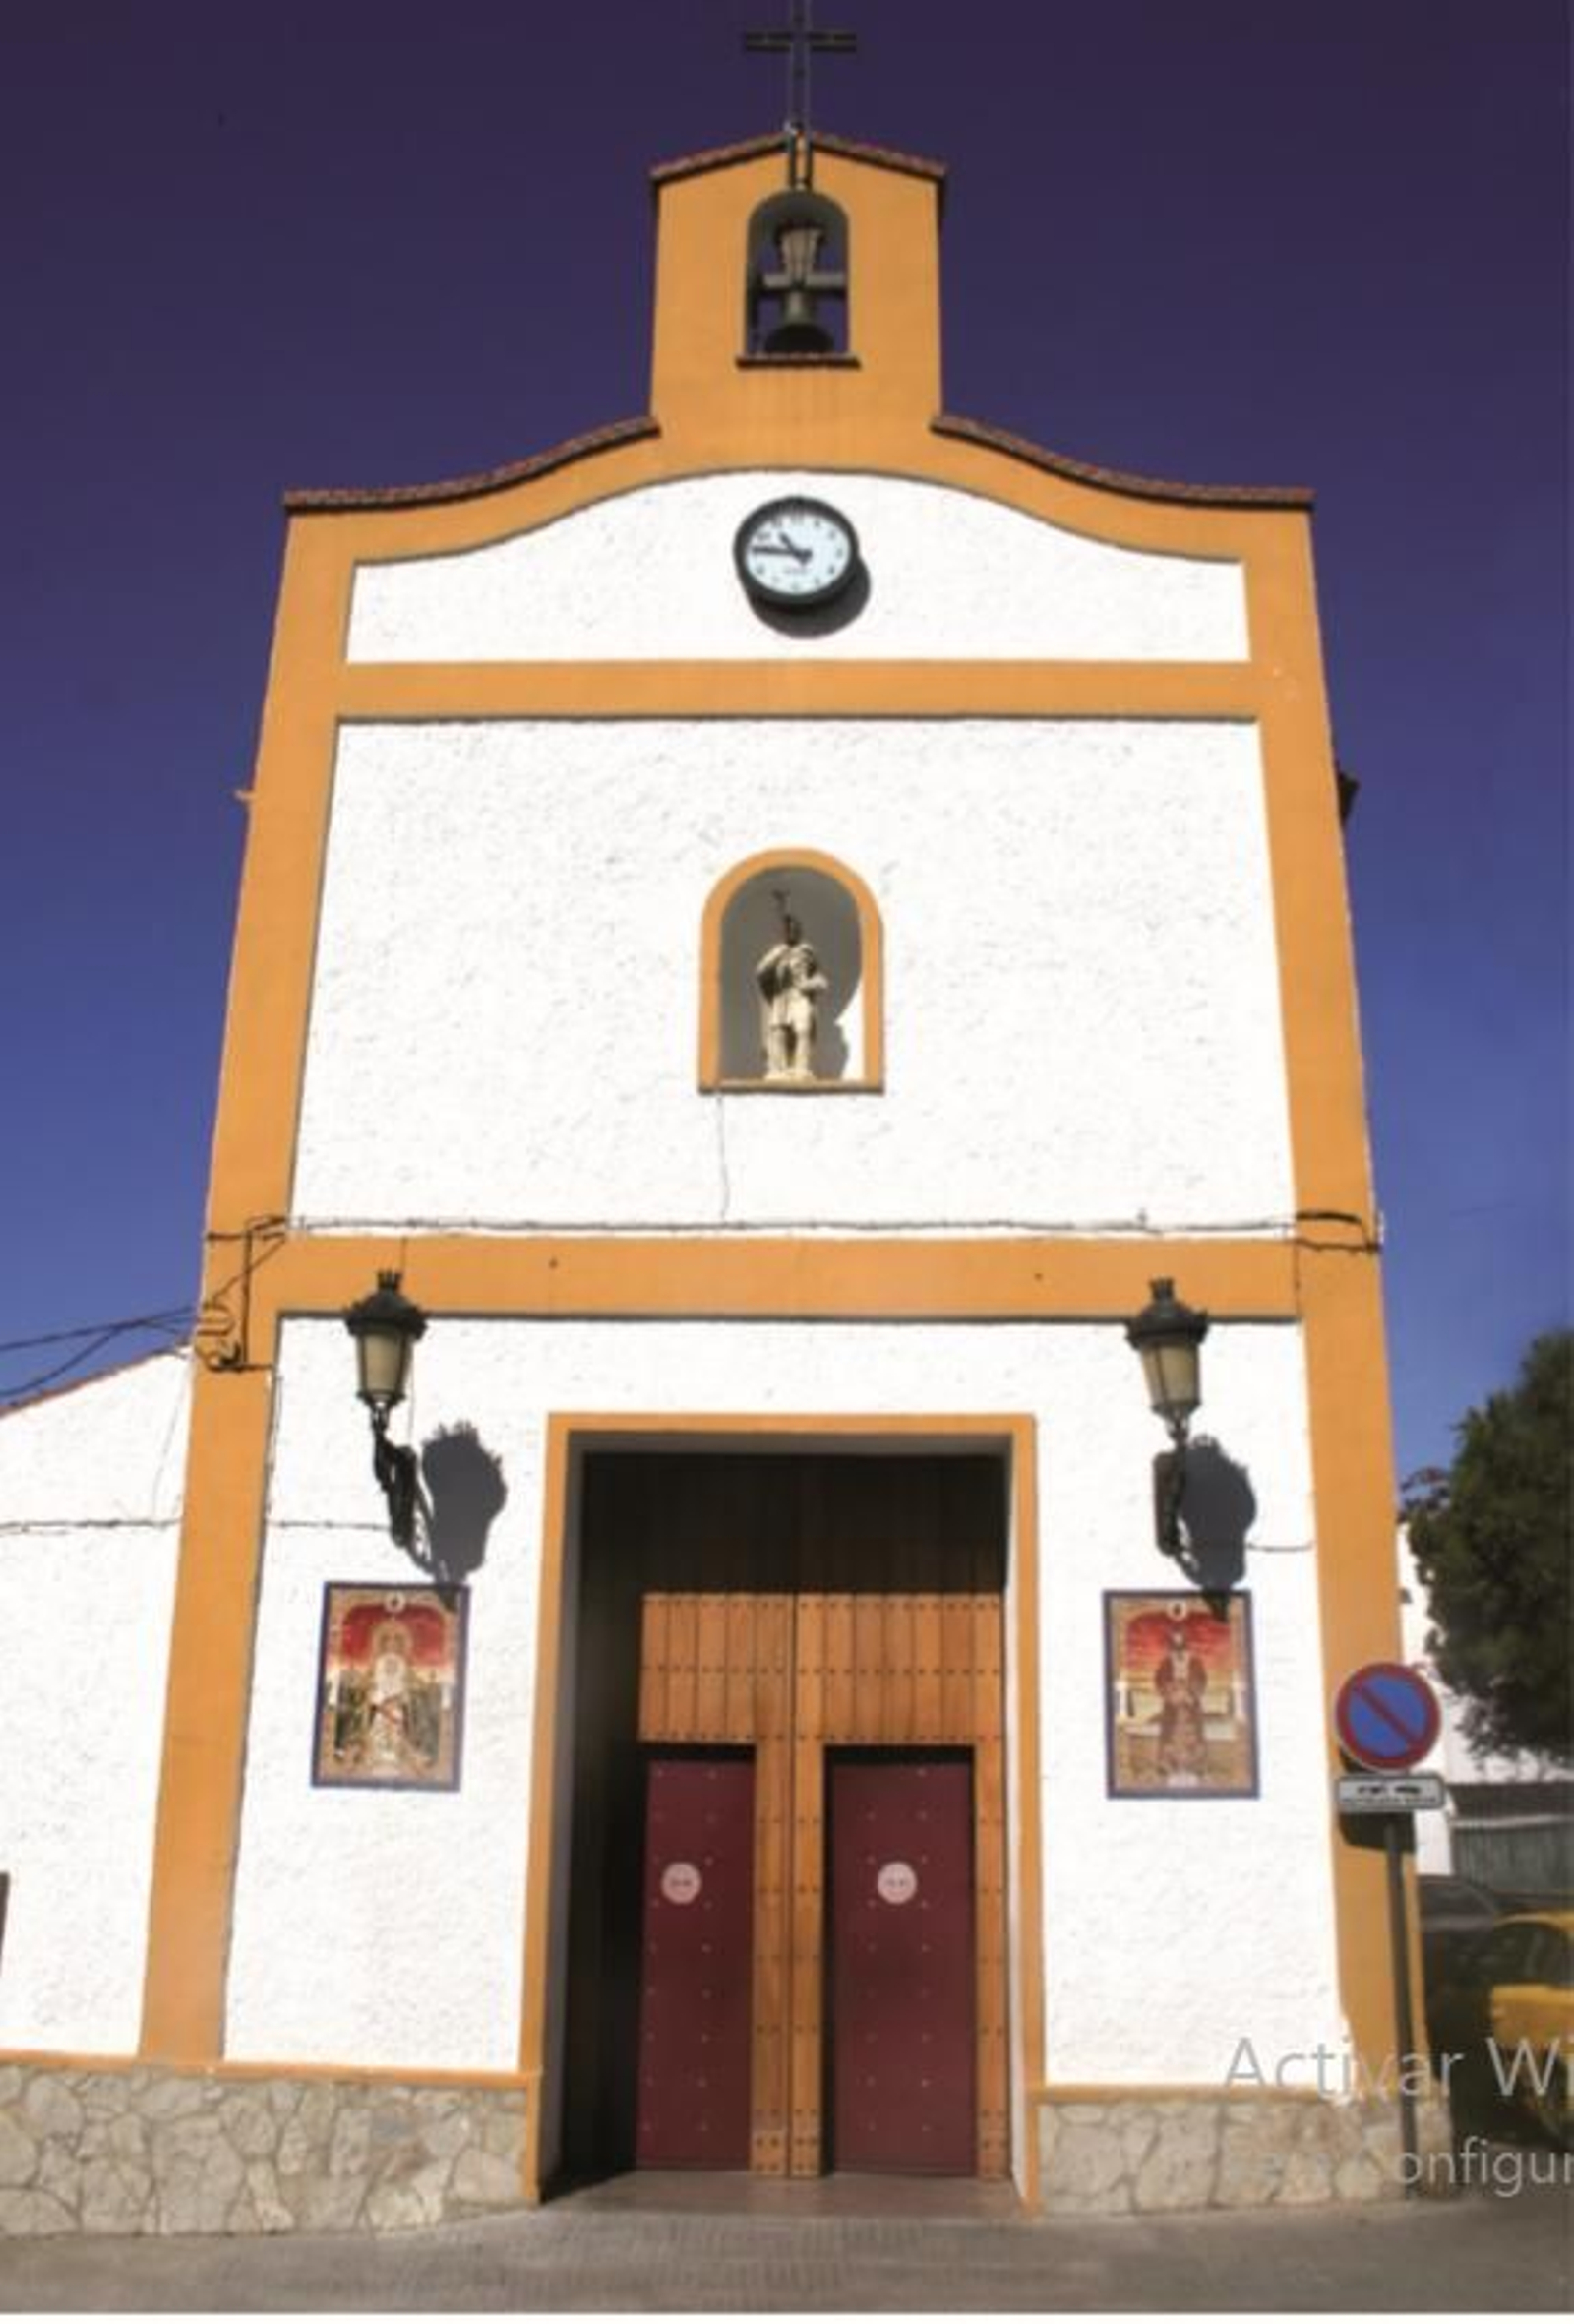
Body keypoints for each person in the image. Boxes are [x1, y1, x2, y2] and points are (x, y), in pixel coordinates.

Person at [756, 912, 828, 1080]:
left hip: (800, 996)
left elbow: (820, 978)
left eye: (794, 929)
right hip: (781, 996)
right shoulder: (776, 951)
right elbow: (760, 972)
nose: (791, 932)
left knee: (803, 1030)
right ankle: (779, 1070)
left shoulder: (807, 951)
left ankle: (801, 1068)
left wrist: (809, 984)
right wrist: (777, 956)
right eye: (788, 929)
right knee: (779, 1032)